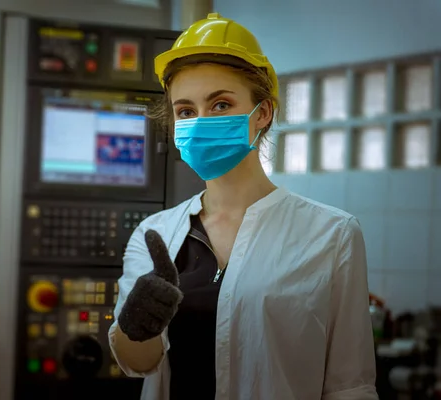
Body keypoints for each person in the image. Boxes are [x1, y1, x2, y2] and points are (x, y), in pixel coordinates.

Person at [108, 12, 378, 400]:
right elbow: (139, 363)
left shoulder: (331, 234)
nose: (200, 122)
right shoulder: (156, 235)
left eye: (220, 105)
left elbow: (350, 385)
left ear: (262, 113)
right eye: (186, 111)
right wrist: (138, 325)